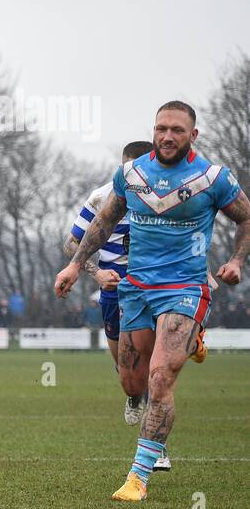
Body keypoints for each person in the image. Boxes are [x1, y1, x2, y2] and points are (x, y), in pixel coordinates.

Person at [56, 101, 249, 502]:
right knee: (132, 380)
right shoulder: (131, 173)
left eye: (177, 130)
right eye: (161, 128)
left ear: (192, 135)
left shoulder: (212, 178)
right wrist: (77, 267)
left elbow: (246, 216)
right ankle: (190, 339)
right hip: (135, 288)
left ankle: (137, 477)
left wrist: (235, 259)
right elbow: (105, 220)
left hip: (184, 288)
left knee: (160, 377)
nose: (167, 136)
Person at [64, 140, 156, 430]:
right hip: (113, 286)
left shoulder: (167, 195)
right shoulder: (102, 196)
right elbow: (72, 243)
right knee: (124, 364)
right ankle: (133, 393)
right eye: (129, 170)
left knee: (156, 362)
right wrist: (97, 274)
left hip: (153, 284)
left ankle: (156, 433)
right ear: (122, 167)